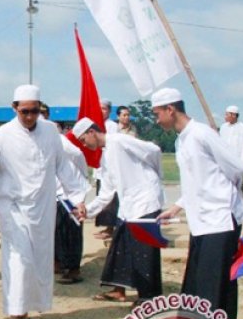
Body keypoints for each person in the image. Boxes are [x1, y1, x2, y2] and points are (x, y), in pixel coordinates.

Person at [0, 85, 86, 319]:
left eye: (34, 111)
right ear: (14, 108)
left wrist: (78, 197)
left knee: (38, 260)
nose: (29, 116)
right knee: (19, 260)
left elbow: (63, 166)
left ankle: (28, 309)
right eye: (24, 111)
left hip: (42, 207)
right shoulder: (2, 135)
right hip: (12, 207)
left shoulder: (50, 131)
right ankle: (18, 315)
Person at [153, 88, 243, 319]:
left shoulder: (202, 134)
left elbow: (236, 168)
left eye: (158, 114)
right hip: (201, 222)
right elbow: (196, 181)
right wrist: (178, 206)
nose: (157, 120)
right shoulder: (181, 140)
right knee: (200, 281)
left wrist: (225, 198)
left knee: (215, 284)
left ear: (170, 109)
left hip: (220, 219)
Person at [74, 118, 164, 305]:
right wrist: (87, 211)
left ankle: (150, 299)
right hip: (128, 208)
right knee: (121, 247)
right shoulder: (105, 157)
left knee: (145, 254)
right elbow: (106, 192)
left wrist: (154, 178)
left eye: (83, 140)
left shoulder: (119, 140)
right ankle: (120, 290)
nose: (84, 145)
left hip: (145, 203)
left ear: (92, 132)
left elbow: (153, 151)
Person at [53, 131, 90, 284]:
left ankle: (73, 269)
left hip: (71, 191)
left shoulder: (57, 139)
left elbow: (78, 154)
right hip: (54, 192)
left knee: (72, 230)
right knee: (56, 229)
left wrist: (82, 173)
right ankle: (59, 262)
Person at [94, 99, 120, 239]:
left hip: (109, 166)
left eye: (104, 109)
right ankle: (105, 226)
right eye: (99, 108)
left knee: (110, 200)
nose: (101, 111)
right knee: (101, 196)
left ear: (109, 111)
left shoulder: (112, 126)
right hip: (99, 167)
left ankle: (111, 228)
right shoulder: (95, 125)